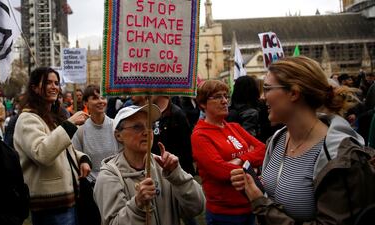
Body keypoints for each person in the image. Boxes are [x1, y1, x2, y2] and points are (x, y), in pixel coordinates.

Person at [230, 56, 367, 224]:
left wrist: (261, 205)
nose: (263, 97)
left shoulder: (339, 155)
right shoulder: (277, 140)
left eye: (267, 88)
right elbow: (274, 194)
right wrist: (253, 188)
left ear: (294, 93)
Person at [94, 104, 205, 225]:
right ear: (118, 135)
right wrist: (137, 204)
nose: (147, 132)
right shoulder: (109, 176)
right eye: (137, 127)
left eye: (150, 126)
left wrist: (177, 176)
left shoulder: (164, 166)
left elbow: (197, 207)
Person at [14, 67, 92, 225]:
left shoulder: (51, 117)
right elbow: (43, 153)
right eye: (48, 82)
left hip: (69, 200)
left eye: (56, 83)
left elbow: (62, 151)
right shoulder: (27, 119)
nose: (54, 86)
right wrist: (70, 124)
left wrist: (82, 159)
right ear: (35, 88)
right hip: (50, 205)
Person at [191, 79, 266, 225]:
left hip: (250, 206)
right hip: (224, 213)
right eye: (218, 97)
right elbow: (220, 171)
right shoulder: (200, 135)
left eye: (226, 96)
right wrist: (252, 168)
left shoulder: (234, 127)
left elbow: (263, 150)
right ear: (202, 104)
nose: (225, 101)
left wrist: (240, 160)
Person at [72, 84, 119, 184]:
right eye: (95, 98)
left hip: (115, 183)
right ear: (86, 103)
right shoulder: (80, 130)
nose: (101, 101)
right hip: (91, 186)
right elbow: (75, 156)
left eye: (103, 97)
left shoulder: (116, 126)